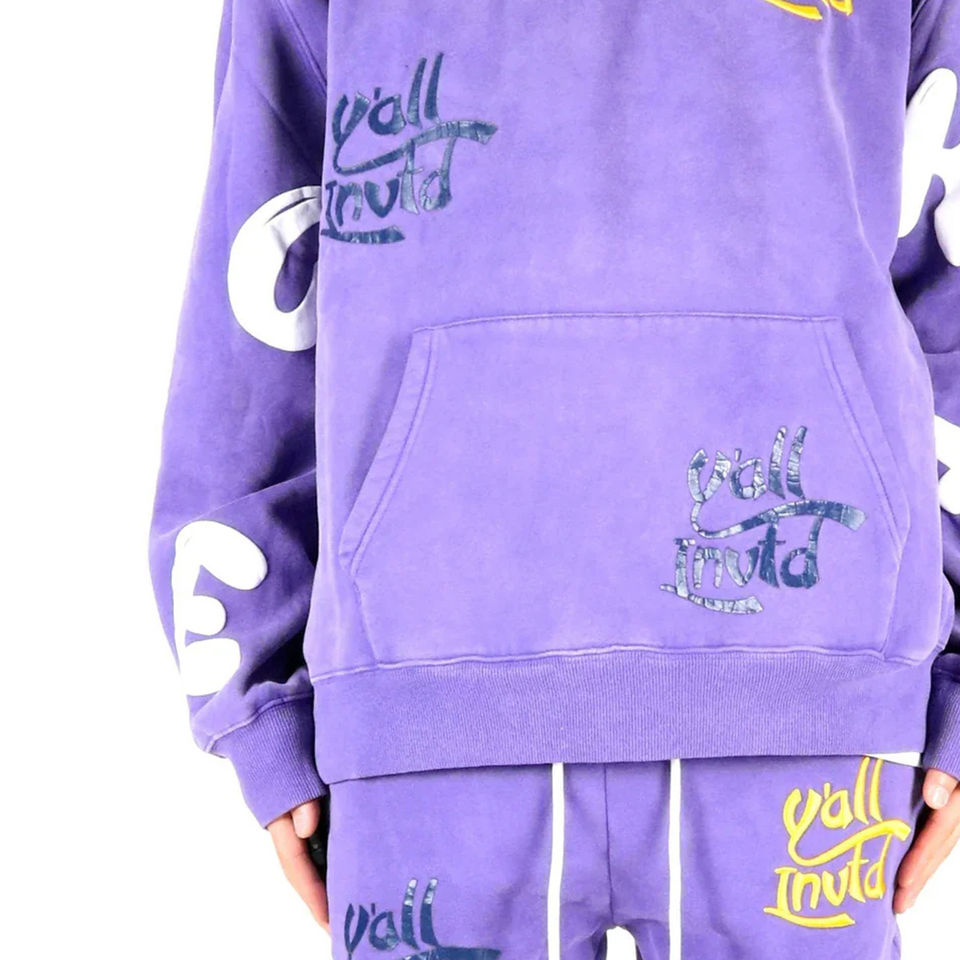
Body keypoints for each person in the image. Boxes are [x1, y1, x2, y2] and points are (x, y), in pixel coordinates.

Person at [146, 1, 960, 957]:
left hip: (810, 691)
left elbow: (945, 268)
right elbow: (261, 266)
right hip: (427, 688)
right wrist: (256, 698)